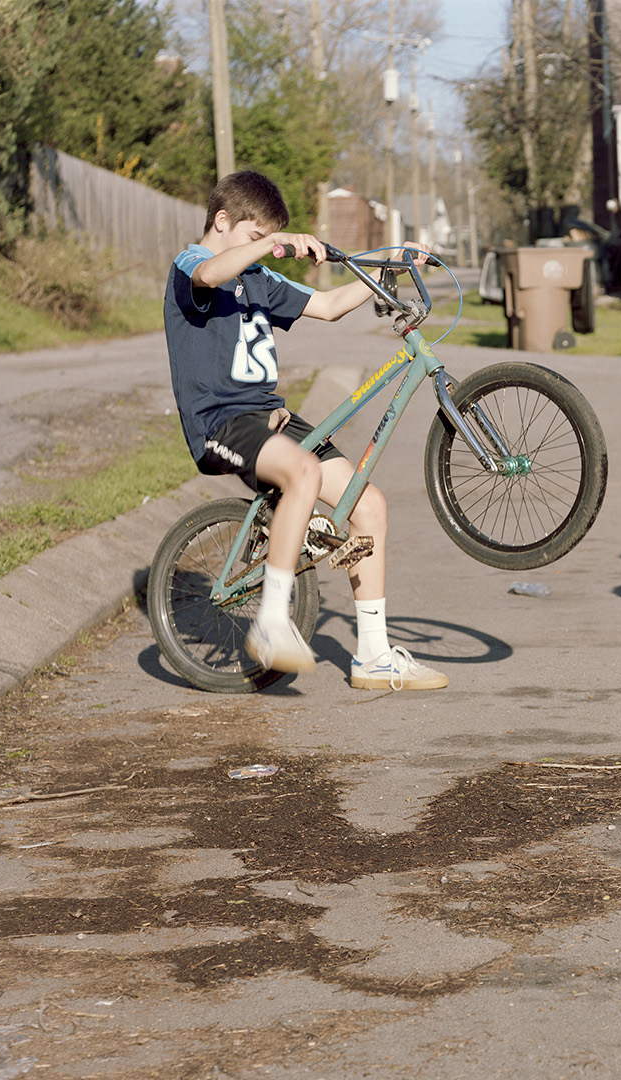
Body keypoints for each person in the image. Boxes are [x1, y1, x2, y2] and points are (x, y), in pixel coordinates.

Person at [163, 169, 447, 690]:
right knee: (303, 471)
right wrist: (270, 243)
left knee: (370, 505)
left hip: (272, 418)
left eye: (265, 239)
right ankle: (272, 622)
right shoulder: (192, 264)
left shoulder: (258, 279)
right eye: (254, 237)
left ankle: (374, 656)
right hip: (220, 422)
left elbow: (331, 305)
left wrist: (390, 264)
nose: (263, 249)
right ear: (222, 221)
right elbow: (208, 276)